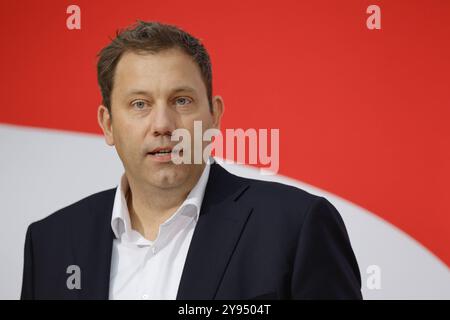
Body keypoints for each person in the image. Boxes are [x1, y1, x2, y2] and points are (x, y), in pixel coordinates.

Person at [21, 21, 362, 300]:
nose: (163, 125)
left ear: (214, 115)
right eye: (140, 104)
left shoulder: (296, 227)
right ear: (108, 124)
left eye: (181, 100)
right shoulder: (51, 242)